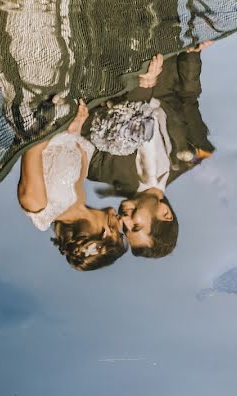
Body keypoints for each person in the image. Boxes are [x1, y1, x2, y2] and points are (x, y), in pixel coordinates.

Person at [85, 42, 215, 259]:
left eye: (125, 229)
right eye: (135, 226)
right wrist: (192, 55)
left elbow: (87, 116)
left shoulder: (98, 170)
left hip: (112, 52)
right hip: (166, 46)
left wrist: (139, 87)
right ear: (165, 213)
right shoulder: (197, 153)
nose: (124, 221)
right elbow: (189, 99)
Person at [17, 101, 126, 271]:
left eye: (120, 234)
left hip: (37, 99)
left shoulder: (39, 206)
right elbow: (66, 142)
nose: (122, 224)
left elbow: (32, 144)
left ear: (106, 235)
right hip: (68, 98)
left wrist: (59, 115)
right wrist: (76, 123)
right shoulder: (80, 196)